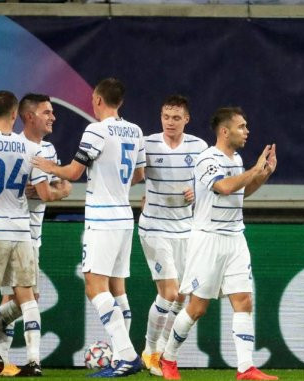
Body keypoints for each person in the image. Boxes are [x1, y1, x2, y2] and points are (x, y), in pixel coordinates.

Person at [32, 78, 146, 377]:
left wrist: (49, 168)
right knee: (117, 288)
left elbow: (74, 171)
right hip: (124, 217)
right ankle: (124, 356)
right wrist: (114, 182)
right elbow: (139, 173)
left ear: (97, 99)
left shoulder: (96, 130)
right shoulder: (135, 131)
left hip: (103, 218)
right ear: (119, 101)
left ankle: (127, 355)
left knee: (95, 287)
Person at [158, 107, 278, 381]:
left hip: (235, 237)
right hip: (208, 238)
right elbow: (222, 187)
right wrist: (253, 170)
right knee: (198, 307)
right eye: (242, 126)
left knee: (244, 300)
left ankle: (245, 368)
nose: (247, 131)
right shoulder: (207, 159)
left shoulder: (236, 159)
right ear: (225, 131)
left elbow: (240, 192)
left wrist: (263, 174)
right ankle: (168, 357)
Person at [0, 93, 71, 376]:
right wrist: (42, 190)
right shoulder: (30, 150)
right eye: (47, 112)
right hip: (21, 230)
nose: (52, 117)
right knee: (23, 298)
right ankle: (19, 360)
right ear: (19, 115)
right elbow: (47, 191)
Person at [138, 95, 208, 376]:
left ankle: (163, 352)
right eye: (166, 116)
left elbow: (209, 185)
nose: (170, 122)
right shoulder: (148, 144)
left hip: (185, 229)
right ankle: (150, 350)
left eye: (176, 117)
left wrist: (198, 191)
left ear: (186, 120)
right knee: (168, 293)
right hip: (154, 227)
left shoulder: (199, 147)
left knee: (180, 297)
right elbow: (133, 176)